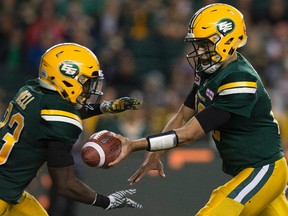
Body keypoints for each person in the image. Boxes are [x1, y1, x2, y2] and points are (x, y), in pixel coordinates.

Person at [110, 3, 288, 216]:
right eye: (199, 44)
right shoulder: (210, 70)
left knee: (217, 208)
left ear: (227, 40)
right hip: (247, 170)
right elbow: (183, 115)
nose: (200, 51)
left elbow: (189, 134)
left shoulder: (240, 79)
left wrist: (135, 144)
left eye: (205, 44)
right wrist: (156, 153)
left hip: (264, 169)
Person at [0, 42, 143, 215]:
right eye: (86, 82)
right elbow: (65, 183)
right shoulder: (60, 118)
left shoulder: (31, 89)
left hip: (10, 191)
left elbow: (54, 113)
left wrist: (104, 107)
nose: (90, 88)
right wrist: (108, 201)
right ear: (67, 78)